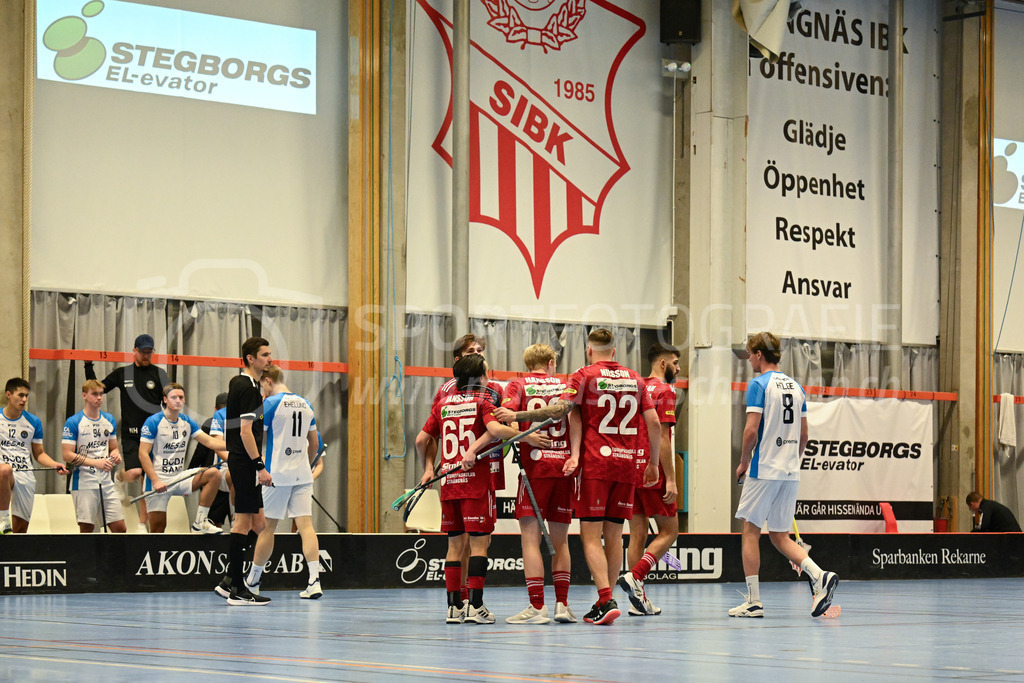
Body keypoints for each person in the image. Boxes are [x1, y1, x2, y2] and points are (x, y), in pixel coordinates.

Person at [503, 328, 660, 626]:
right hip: (622, 467)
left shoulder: (581, 376)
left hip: (592, 465)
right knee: (613, 536)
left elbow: (565, 410)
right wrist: (651, 463)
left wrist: (518, 419)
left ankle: (601, 599)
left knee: (582, 536)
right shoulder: (636, 378)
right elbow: (653, 422)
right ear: (614, 351)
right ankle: (583, 602)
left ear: (589, 350)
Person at [416, 353, 550, 625]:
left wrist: (428, 469)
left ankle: (454, 608)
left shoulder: (443, 403)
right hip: (476, 481)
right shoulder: (482, 400)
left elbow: (422, 439)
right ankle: (475, 607)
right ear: (479, 377)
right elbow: (495, 429)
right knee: (479, 545)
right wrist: (529, 437)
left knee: (454, 547)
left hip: (449, 482)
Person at [731, 331, 838, 619]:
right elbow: (804, 435)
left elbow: (751, 430)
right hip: (790, 471)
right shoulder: (796, 387)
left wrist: (743, 462)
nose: (749, 360)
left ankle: (753, 601)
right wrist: (791, 460)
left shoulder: (759, 384)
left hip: (763, 469)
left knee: (751, 533)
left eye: (750, 354)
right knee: (780, 535)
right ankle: (819, 575)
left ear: (758, 355)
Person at [492, 344, 577, 625]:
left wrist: (525, 436)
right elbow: (575, 419)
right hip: (564, 468)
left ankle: (537, 607)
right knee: (560, 541)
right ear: (552, 362)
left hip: (536, 469)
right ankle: (562, 604)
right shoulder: (566, 385)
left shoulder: (517, 384)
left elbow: (504, 417)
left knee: (530, 540)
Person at [422, 333, 505, 607]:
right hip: (467, 469)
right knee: (468, 540)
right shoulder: (447, 392)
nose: (479, 354)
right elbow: (430, 435)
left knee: (478, 537)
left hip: (488, 466)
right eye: (472, 350)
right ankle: (469, 600)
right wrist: (428, 467)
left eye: (481, 350)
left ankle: (460, 603)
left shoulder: (496, 389)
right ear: (458, 359)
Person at [244, 365, 324, 599]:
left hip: (276, 475)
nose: (262, 390)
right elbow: (314, 444)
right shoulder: (305, 403)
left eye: (261, 385)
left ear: (268, 381)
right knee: (306, 526)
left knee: (268, 527)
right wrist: (306, 467)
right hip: (302, 474)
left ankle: (254, 581)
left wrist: (257, 466)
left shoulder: (269, 404)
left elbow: (253, 436)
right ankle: (314, 581)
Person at [618, 342, 680, 616]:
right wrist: (671, 480)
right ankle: (636, 576)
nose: (678, 368)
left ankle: (638, 600)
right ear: (663, 363)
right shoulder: (665, 391)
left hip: (631, 469)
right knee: (670, 532)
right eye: (676, 363)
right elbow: (664, 438)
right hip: (653, 470)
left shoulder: (636, 387)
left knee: (637, 535)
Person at [85, 333, 170, 533]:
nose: (146, 356)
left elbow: (169, 400)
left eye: (150, 352)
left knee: (147, 480)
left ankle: (142, 523)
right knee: (134, 472)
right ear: (135, 351)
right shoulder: (124, 373)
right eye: (143, 352)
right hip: (132, 434)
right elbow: (98, 389)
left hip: (153, 436)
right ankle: (119, 478)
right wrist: (88, 365)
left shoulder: (159, 374)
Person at [214, 336, 273, 606]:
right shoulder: (248, 387)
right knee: (242, 523)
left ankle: (229, 580)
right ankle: (237, 588)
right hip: (245, 460)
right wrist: (259, 464)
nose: (269, 359)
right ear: (250, 358)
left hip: (241, 459)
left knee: (259, 524)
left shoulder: (240, 383)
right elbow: (246, 430)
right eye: (264, 355)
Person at [137, 383, 226, 534]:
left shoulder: (187, 421)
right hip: (159, 480)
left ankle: (200, 522)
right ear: (165, 399)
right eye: (174, 397)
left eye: (181, 397)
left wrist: (237, 448)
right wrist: (155, 480)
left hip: (179, 477)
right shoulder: (153, 421)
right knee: (158, 529)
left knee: (214, 474)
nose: (178, 400)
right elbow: (143, 454)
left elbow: (210, 442)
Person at [0, 378, 68, 534]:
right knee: (4, 470)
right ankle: (3, 519)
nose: (24, 399)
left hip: (24, 474)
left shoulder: (33, 422)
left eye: (26, 396)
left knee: (20, 530)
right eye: (20, 395)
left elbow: (39, 453)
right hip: (3, 472)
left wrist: (54, 464)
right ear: (9, 395)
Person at [61, 379, 126, 533]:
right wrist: (96, 463)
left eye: (101, 394)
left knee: (120, 528)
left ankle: (112, 557)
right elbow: (67, 454)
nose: (99, 398)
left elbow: (114, 448)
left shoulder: (109, 419)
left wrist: (116, 455)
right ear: (84, 395)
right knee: (87, 528)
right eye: (95, 394)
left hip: (105, 481)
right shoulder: (74, 422)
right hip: (83, 482)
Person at [190, 392, 232, 531]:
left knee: (214, 524)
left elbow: (200, 452)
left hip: (217, 476)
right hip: (225, 475)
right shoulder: (237, 420)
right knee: (235, 523)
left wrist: (191, 473)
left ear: (215, 408)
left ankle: (215, 552)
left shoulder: (211, 422)